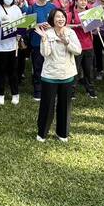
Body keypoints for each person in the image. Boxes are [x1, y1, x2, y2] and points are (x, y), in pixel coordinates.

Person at [35, 8, 81, 142]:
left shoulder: (70, 32)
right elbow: (45, 53)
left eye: (62, 17)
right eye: (57, 17)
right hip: (50, 74)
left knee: (65, 105)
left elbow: (78, 50)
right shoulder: (47, 33)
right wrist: (44, 39)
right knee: (47, 105)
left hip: (67, 74)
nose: (60, 19)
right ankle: (42, 133)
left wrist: (67, 43)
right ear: (52, 20)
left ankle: (62, 133)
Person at [25, 0, 56, 101]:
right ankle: (37, 90)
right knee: (38, 67)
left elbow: (58, 22)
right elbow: (27, 26)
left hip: (51, 41)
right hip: (36, 42)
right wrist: (37, 25)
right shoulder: (32, 8)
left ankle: (50, 89)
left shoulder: (52, 7)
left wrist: (51, 25)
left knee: (51, 66)